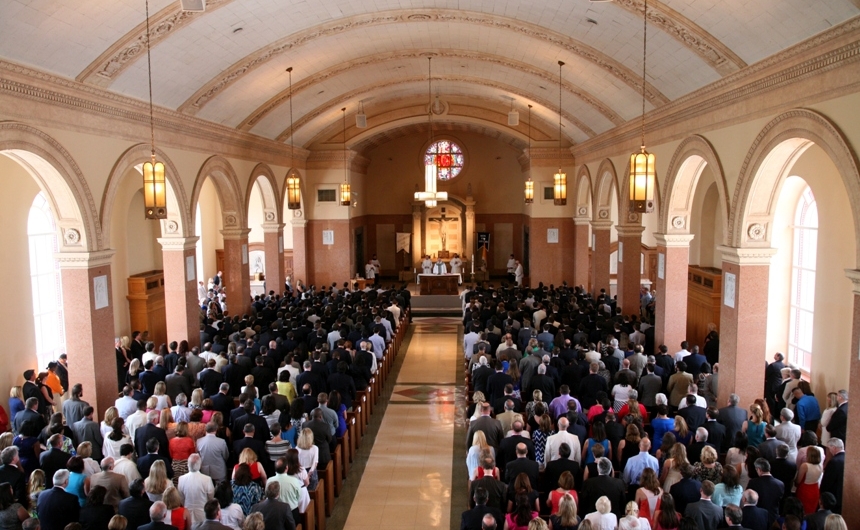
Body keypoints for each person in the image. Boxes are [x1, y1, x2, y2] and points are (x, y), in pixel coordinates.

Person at [177, 455, 213, 526]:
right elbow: (211, 497)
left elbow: (181, 497)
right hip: (203, 512)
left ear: (188, 465)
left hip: (188, 512)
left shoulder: (181, 479)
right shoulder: (207, 479)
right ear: (200, 465)